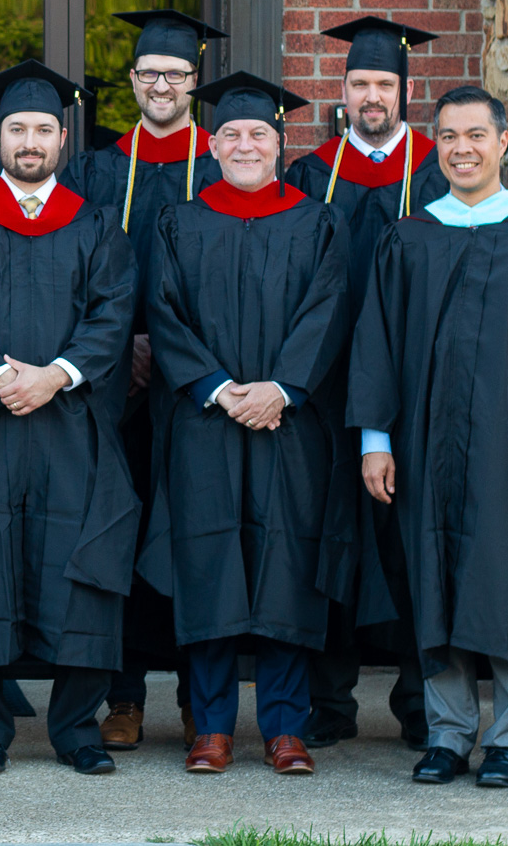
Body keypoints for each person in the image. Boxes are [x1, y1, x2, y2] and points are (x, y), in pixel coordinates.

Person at [350, 85, 508, 789]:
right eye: (449, 137)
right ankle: (447, 733)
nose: (462, 148)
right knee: (437, 581)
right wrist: (376, 438)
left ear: (502, 144)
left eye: (475, 135)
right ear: (437, 147)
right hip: (426, 448)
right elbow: (376, 345)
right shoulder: (408, 237)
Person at [0, 60, 137, 775]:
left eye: (44, 129)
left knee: (80, 564)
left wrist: (54, 376)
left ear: (63, 138)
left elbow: (113, 314)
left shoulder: (97, 224)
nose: (31, 141)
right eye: (19, 129)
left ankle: (75, 727)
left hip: (71, 423)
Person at [139, 72, 350, 776]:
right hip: (206, 420)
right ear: (213, 143)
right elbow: (162, 314)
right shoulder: (179, 221)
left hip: (289, 425)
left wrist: (283, 387)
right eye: (230, 133)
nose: (244, 144)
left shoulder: (316, 222)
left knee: (286, 565)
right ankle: (213, 727)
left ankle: (287, 727)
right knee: (208, 565)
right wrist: (222, 388)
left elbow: (327, 311)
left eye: (258, 132)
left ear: (280, 145)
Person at [61, 8, 227, 752]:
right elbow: (70, 271)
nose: (163, 85)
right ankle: (120, 697)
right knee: (117, 535)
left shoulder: (225, 163)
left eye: (178, 74)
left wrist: (184, 354)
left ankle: (200, 701)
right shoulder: (96, 167)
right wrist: (118, 347)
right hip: (114, 383)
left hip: (197, 388)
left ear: (196, 83)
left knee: (196, 533)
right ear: (131, 82)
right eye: (150, 73)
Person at [282, 16, 445, 753]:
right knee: (328, 540)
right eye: (359, 84)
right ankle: (329, 702)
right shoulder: (309, 176)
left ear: (406, 92)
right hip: (322, 390)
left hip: (416, 392)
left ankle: (419, 701)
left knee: (413, 542)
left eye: (384, 84)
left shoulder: (439, 168)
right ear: (341, 92)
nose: (371, 95)